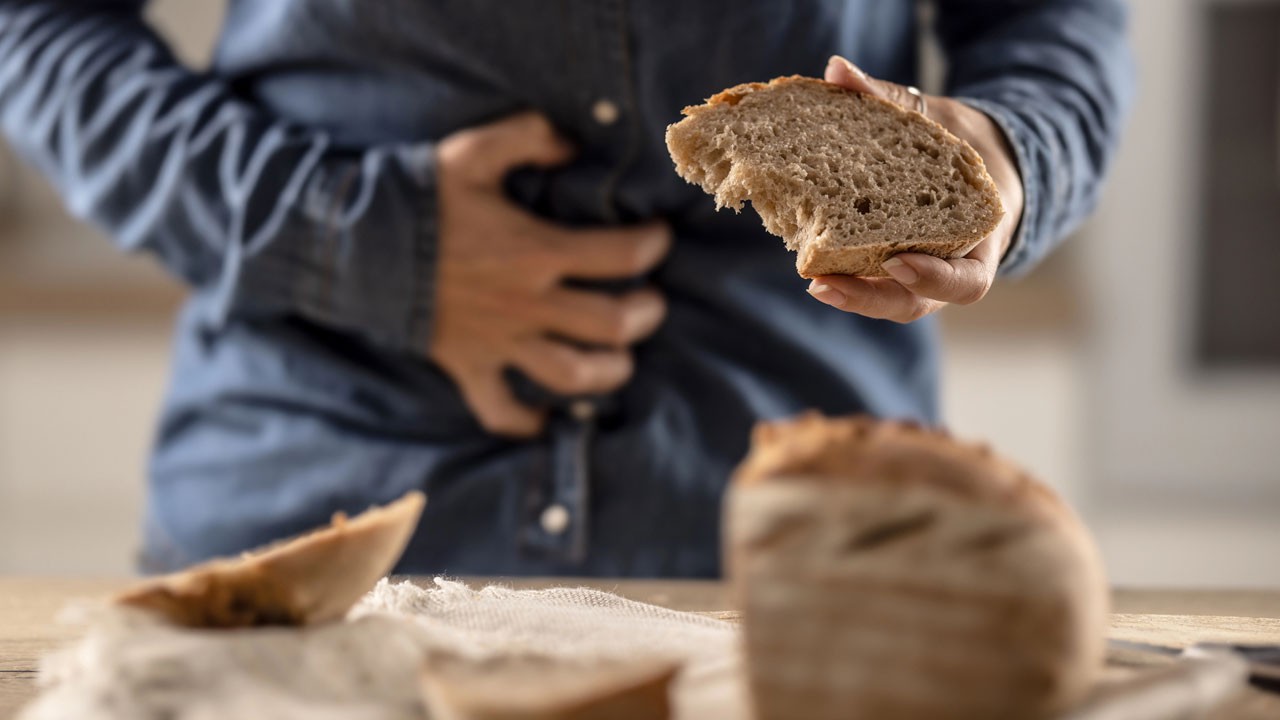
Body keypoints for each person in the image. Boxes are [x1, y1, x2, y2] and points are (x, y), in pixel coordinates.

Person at [0, 1, 1133, 577]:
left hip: (808, 556)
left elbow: (1050, 20)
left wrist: (1006, 157)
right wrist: (354, 238)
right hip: (316, 519)